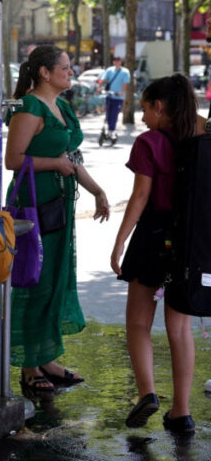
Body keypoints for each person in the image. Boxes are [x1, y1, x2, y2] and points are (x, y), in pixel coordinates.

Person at [6, 44, 110, 394]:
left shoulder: (61, 106)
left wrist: (97, 191)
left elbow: (72, 158)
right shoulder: (31, 106)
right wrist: (55, 165)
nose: (71, 72)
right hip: (33, 203)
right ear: (45, 73)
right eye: (64, 67)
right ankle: (29, 365)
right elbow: (13, 159)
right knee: (33, 278)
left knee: (53, 278)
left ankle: (47, 358)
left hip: (59, 201)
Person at [110, 74, 199, 433]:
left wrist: (119, 241)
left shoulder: (148, 143)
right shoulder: (198, 137)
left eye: (145, 109)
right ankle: (181, 411)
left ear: (159, 106)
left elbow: (141, 196)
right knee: (179, 328)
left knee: (137, 323)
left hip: (152, 236)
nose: (144, 117)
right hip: (188, 239)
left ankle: (147, 392)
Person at [102, 56, 130, 138]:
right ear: (113, 62)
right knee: (108, 114)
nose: (117, 62)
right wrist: (99, 86)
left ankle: (111, 131)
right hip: (109, 95)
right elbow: (104, 79)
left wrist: (122, 92)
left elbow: (126, 83)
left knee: (114, 114)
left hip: (118, 97)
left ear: (121, 62)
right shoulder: (109, 70)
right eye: (116, 61)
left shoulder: (125, 71)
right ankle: (108, 129)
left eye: (119, 61)